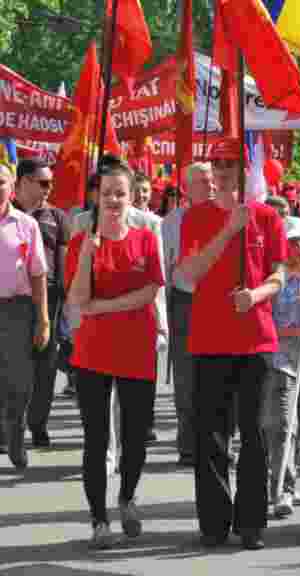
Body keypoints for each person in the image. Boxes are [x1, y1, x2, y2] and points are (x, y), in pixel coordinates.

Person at [178, 140, 287, 551]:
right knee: (210, 436)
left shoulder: (269, 216)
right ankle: (214, 522)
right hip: (209, 341)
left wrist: (257, 296)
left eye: (232, 163)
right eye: (217, 163)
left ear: (246, 169)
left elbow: (280, 275)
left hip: (256, 341)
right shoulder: (196, 217)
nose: (223, 170)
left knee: (256, 434)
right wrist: (228, 230)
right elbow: (189, 272)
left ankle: (251, 523)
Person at [65, 159, 163, 549]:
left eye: (120, 193)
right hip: (92, 353)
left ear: (131, 197)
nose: (114, 200)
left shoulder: (145, 239)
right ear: (96, 197)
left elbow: (149, 292)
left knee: (135, 436)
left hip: (136, 350)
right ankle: (98, 519)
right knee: (96, 437)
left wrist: (103, 307)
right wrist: (89, 251)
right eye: (106, 194)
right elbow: (76, 299)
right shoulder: (80, 242)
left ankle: (127, 497)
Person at [161, 162, 214, 467]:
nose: (209, 185)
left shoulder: (225, 215)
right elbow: (166, 269)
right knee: (186, 375)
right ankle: (188, 443)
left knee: (219, 374)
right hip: (186, 302)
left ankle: (216, 441)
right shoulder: (172, 222)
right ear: (186, 187)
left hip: (219, 303)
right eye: (202, 181)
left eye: (210, 180)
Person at [14, 159, 68, 449]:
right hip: (12, 298)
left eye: (51, 183)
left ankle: (38, 425)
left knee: (45, 365)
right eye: (43, 183)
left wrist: (65, 302)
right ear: (22, 182)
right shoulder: (6, 213)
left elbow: (62, 263)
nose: (49, 189)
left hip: (49, 297)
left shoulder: (57, 217)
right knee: (11, 363)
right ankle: (10, 426)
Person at [0, 163, 49, 468]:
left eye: (1, 182)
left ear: (12, 186)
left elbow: (39, 273)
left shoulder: (26, 225)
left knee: (19, 380)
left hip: (16, 309)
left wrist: (43, 319)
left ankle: (16, 432)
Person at [265, 216, 300, 519]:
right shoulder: (275, 279)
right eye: (292, 241)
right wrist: (299, 331)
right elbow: (266, 325)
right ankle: (277, 490)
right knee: (283, 426)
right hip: (280, 362)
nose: (298, 247)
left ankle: (290, 483)